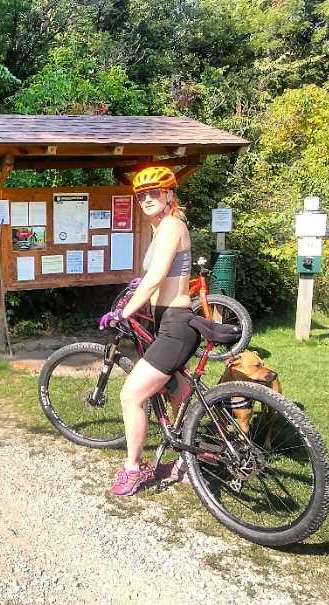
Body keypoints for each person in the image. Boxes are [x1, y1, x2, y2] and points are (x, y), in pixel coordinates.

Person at [99, 166, 200, 496]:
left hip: (175, 325)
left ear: (170, 195)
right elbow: (155, 278)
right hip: (168, 322)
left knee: (131, 394)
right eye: (141, 195)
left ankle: (133, 468)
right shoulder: (162, 229)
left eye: (154, 192)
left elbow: (157, 277)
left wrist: (122, 313)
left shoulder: (171, 225)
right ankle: (191, 460)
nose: (146, 199)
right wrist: (136, 294)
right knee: (179, 392)